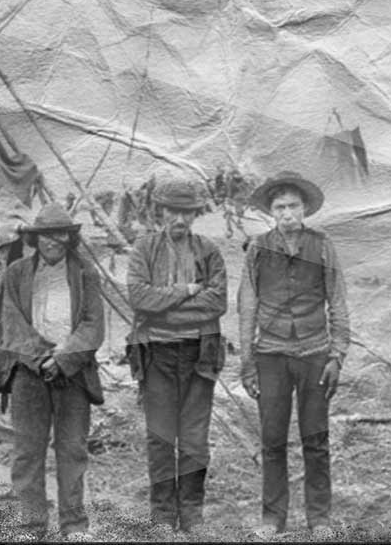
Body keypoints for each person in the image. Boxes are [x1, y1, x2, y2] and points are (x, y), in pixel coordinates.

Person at [238, 170, 350, 539]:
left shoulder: (321, 245)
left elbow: (337, 299)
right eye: (280, 207)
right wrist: (247, 361)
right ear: (271, 211)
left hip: (315, 352)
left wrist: (337, 354)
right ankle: (273, 519)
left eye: (293, 206)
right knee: (272, 439)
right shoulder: (257, 248)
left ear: (304, 209)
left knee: (315, 439)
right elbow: (247, 305)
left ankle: (320, 518)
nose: (287, 213)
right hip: (270, 355)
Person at [0, 202, 105, 541]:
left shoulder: (85, 273)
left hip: (74, 372)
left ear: (70, 237)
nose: (53, 241)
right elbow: (12, 324)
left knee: (71, 449)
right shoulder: (17, 273)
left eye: (61, 234)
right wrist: (41, 358)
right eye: (46, 235)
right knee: (28, 450)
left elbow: (93, 326)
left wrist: (64, 358)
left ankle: (74, 524)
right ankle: (31, 524)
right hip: (28, 372)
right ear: (35, 238)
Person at [126, 176, 228, 535]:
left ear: (195, 213)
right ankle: (163, 514)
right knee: (160, 437)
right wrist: (185, 291)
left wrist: (164, 306)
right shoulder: (144, 249)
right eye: (173, 211)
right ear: (161, 211)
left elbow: (218, 302)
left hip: (199, 353)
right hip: (156, 354)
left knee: (195, 438)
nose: (180, 219)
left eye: (187, 211)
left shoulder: (209, 251)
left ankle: (192, 512)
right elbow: (139, 298)